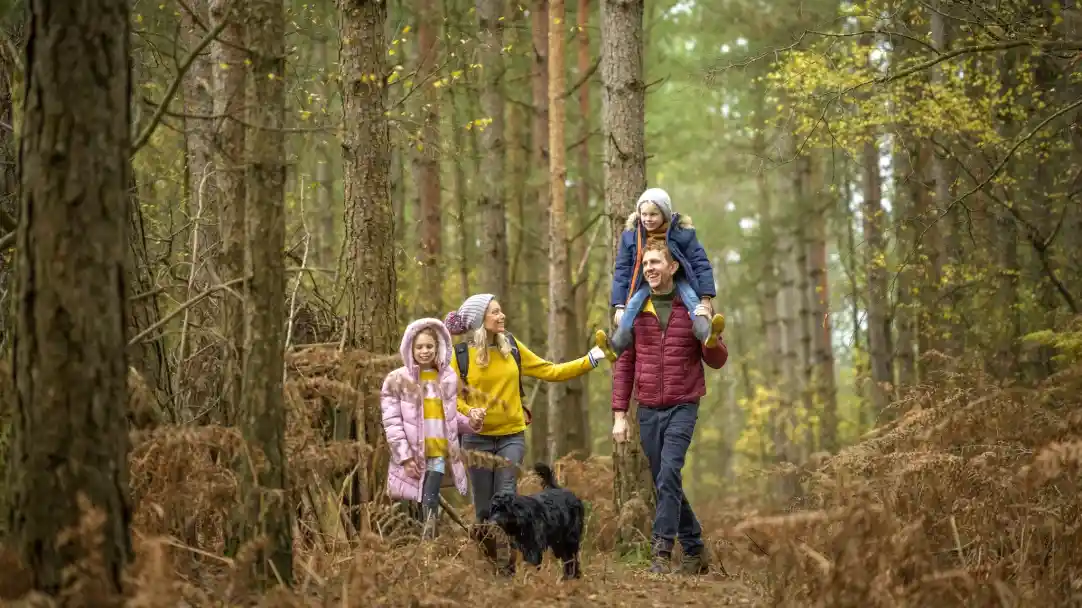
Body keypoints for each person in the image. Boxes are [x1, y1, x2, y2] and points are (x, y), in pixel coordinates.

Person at [443, 293, 607, 570]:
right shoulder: (460, 356)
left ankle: (511, 565)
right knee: (484, 510)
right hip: (475, 440)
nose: (502, 315)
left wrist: (590, 359)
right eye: (495, 312)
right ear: (479, 320)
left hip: (511, 436)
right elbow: (450, 396)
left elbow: (551, 371)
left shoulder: (513, 348)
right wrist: (469, 411)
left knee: (507, 501)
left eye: (501, 310)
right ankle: (492, 566)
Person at [610, 241, 729, 575]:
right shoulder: (636, 310)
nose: (649, 268)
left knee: (669, 473)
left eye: (656, 262)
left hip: (683, 404)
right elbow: (624, 364)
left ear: (673, 266)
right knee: (667, 481)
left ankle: (660, 553)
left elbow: (717, 360)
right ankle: (694, 549)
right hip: (647, 408)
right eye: (645, 263)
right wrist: (620, 414)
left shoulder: (691, 307)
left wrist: (712, 338)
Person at [380, 317, 484, 539]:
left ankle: (429, 545)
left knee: (430, 497)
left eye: (429, 346)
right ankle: (413, 547)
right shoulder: (396, 379)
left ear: (439, 348)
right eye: (419, 347)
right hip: (414, 453)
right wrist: (405, 458)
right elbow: (392, 422)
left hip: (438, 451)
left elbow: (450, 416)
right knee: (412, 503)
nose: (424, 351)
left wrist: (471, 423)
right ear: (410, 347)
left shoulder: (447, 378)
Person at [595, 187, 725, 361]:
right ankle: (616, 346)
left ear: (664, 213)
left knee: (694, 303)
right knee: (632, 307)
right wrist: (619, 305)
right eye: (644, 214)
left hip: (679, 279)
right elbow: (622, 270)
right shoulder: (631, 236)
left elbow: (700, 263)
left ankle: (706, 333)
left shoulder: (682, 233)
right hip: (645, 282)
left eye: (653, 214)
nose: (648, 219)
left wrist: (706, 297)